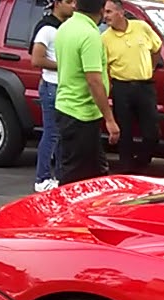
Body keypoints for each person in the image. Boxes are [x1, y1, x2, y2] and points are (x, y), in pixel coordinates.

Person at [53, 0, 119, 185]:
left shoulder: (65, 28)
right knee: (76, 176)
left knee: (95, 171)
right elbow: (94, 80)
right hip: (81, 113)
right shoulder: (89, 35)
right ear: (99, 10)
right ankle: (68, 211)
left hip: (68, 107)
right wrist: (110, 119)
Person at [102, 0, 162, 172]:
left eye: (109, 12)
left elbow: (156, 48)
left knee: (152, 133)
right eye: (104, 12)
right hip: (122, 88)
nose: (105, 16)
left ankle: (141, 162)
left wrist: (150, 68)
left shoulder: (141, 27)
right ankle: (126, 170)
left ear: (120, 12)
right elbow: (104, 68)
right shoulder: (104, 39)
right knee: (124, 134)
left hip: (145, 86)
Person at [29, 0, 76, 192]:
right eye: (68, 1)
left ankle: (59, 175)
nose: (73, 5)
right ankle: (42, 178)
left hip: (63, 86)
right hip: (51, 86)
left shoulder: (65, 27)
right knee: (52, 133)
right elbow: (36, 59)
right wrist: (66, 65)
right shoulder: (47, 28)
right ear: (57, 3)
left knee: (62, 134)